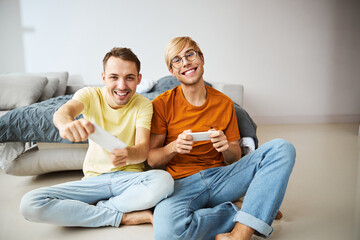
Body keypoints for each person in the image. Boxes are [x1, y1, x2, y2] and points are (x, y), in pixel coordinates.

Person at [148, 36, 296, 240]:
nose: (186, 63)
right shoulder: (162, 104)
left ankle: (240, 233)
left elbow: (234, 157)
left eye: (190, 54)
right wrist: (173, 147)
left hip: (221, 178)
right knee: (167, 234)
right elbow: (152, 159)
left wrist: (225, 146)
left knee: (282, 148)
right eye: (177, 60)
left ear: (202, 58)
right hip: (181, 184)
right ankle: (254, 210)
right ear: (172, 71)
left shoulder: (225, 103)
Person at [20, 47, 174, 227]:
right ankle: (121, 217)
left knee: (164, 181)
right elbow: (64, 112)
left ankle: (99, 209)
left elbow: (141, 151)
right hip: (93, 180)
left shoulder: (144, 105)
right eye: (114, 77)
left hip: (129, 180)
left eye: (129, 78)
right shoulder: (89, 95)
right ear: (103, 78)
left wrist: (127, 153)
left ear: (139, 79)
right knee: (30, 203)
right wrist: (65, 124)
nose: (122, 85)